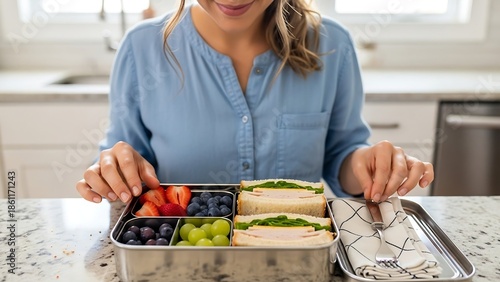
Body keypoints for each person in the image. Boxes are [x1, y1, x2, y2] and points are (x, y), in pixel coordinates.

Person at [76, 0, 433, 204]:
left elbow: (340, 154)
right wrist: (113, 170)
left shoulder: (332, 44)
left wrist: (366, 164)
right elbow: (125, 156)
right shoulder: (142, 48)